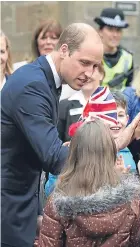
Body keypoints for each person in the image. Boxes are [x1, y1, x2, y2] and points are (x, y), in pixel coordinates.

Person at [1, 22, 104, 247]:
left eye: (95, 66)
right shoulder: (33, 85)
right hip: (9, 209)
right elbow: (54, 157)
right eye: (84, 62)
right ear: (64, 50)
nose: (89, 73)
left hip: (21, 205)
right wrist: (104, 158)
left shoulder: (44, 79)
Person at [39, 119, 140, 247]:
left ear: (74, 154)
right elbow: (135, 241)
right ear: (110, 152)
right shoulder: (131, 199)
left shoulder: (57, 202)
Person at [45, 90, 137, 197]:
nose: (115, 120)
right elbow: (52, 191)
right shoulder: (76, 149)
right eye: (109, 115)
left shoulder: (127, 152)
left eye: (120, 115)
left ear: (127, 119)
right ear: (95, 118)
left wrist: (121, 178)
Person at [94, 8, 134, 91]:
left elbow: (129, 87)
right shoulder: (91, 55)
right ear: (100, 31)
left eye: (118, 30)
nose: (115, 35)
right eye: (110, 29)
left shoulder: (128, 57)